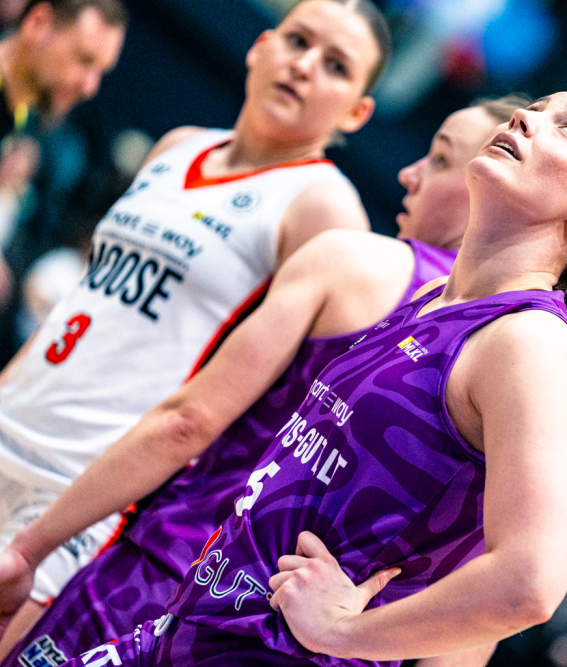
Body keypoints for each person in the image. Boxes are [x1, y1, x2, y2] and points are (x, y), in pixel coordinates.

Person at [7, 91, 567, 665]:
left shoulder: (530, 342)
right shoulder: (433, 300)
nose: (529, 119)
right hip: (190, 625)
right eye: (537, 108)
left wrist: (347, 632)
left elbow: (529, 583)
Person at [0, 0, 390, 652]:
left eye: (336, 66)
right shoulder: (178, 145)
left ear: (356, 112)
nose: (303, 66)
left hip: (86, 490)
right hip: (14, 417)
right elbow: (84, 303)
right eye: (297, 41)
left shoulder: (324, 208)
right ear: (259, 46)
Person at [0, 0, 127, 329]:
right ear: (37, 23)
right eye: (84, 60)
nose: (90, 87)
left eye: (101, 72)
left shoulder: (24, 126)